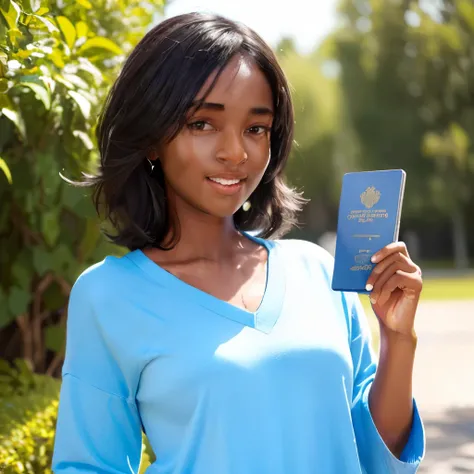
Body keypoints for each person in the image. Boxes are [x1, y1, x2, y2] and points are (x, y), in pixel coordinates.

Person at [52, 12, 425, 474]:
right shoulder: (108, 296)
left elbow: (376, 459)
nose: (236, 152)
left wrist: (397, 339)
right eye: (202, 124)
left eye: (256, 128)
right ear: (150, 139)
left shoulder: (318, 271)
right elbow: (89, 467)